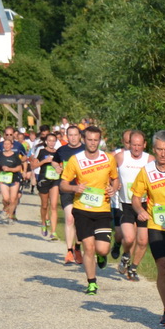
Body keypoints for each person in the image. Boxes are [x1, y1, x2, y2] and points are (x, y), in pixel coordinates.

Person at [132, 129, 165, 327]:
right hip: (157, 225)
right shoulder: (146, 171)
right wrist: (140, 210)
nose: (162, 154)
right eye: (159, 150)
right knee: (163, 266)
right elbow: (136, 198)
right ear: (153, 149)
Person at [60, 125, 119, 296]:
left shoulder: (108, 159)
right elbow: (63, 183)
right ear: (84, 140)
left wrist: (113, 189)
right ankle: (92, 283)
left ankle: (102, 257)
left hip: (102, 209)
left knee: (101, 249)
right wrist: (74, 188)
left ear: (99, 141)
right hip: (81, 209)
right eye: (90, 140)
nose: (93, 143)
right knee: (88, 246)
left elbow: (115, 179)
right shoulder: (75, 160)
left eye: (96, 140)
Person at [112, 129, 152, 281]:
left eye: (139, 145)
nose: (136, 148)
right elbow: (108, 170)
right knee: (128, 238)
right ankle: (126, 254)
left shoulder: (149, 160)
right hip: (126, 204)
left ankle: (133, 268)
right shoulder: (121, 157)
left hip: (143, 204)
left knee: (142, 241)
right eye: (133, 144)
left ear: (144, 145)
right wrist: (113, 183)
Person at [53, 124, 85, 264]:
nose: (73, 138)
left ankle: (78, 247)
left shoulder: (86, 150)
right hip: (66, 187)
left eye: (75, 135)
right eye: (70, 135)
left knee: (80, 220)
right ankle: (69, 251)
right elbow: (54, 161)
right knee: (69, 218)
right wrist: (57, 167)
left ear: (80, 136)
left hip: (82, 189)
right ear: (67, 136)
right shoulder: (61, 150)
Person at [0, 127, 27, 223]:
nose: (8, 136)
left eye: (10, 134)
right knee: (6, 199)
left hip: (15, 176)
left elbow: (24, 156)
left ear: (14, 135)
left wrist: (23, 169)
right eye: (7, 134)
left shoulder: (19, 146)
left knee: (14, 198)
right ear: (4, 135)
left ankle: (10, 215)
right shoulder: (0, 146)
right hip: (4, 177)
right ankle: (6, 210)